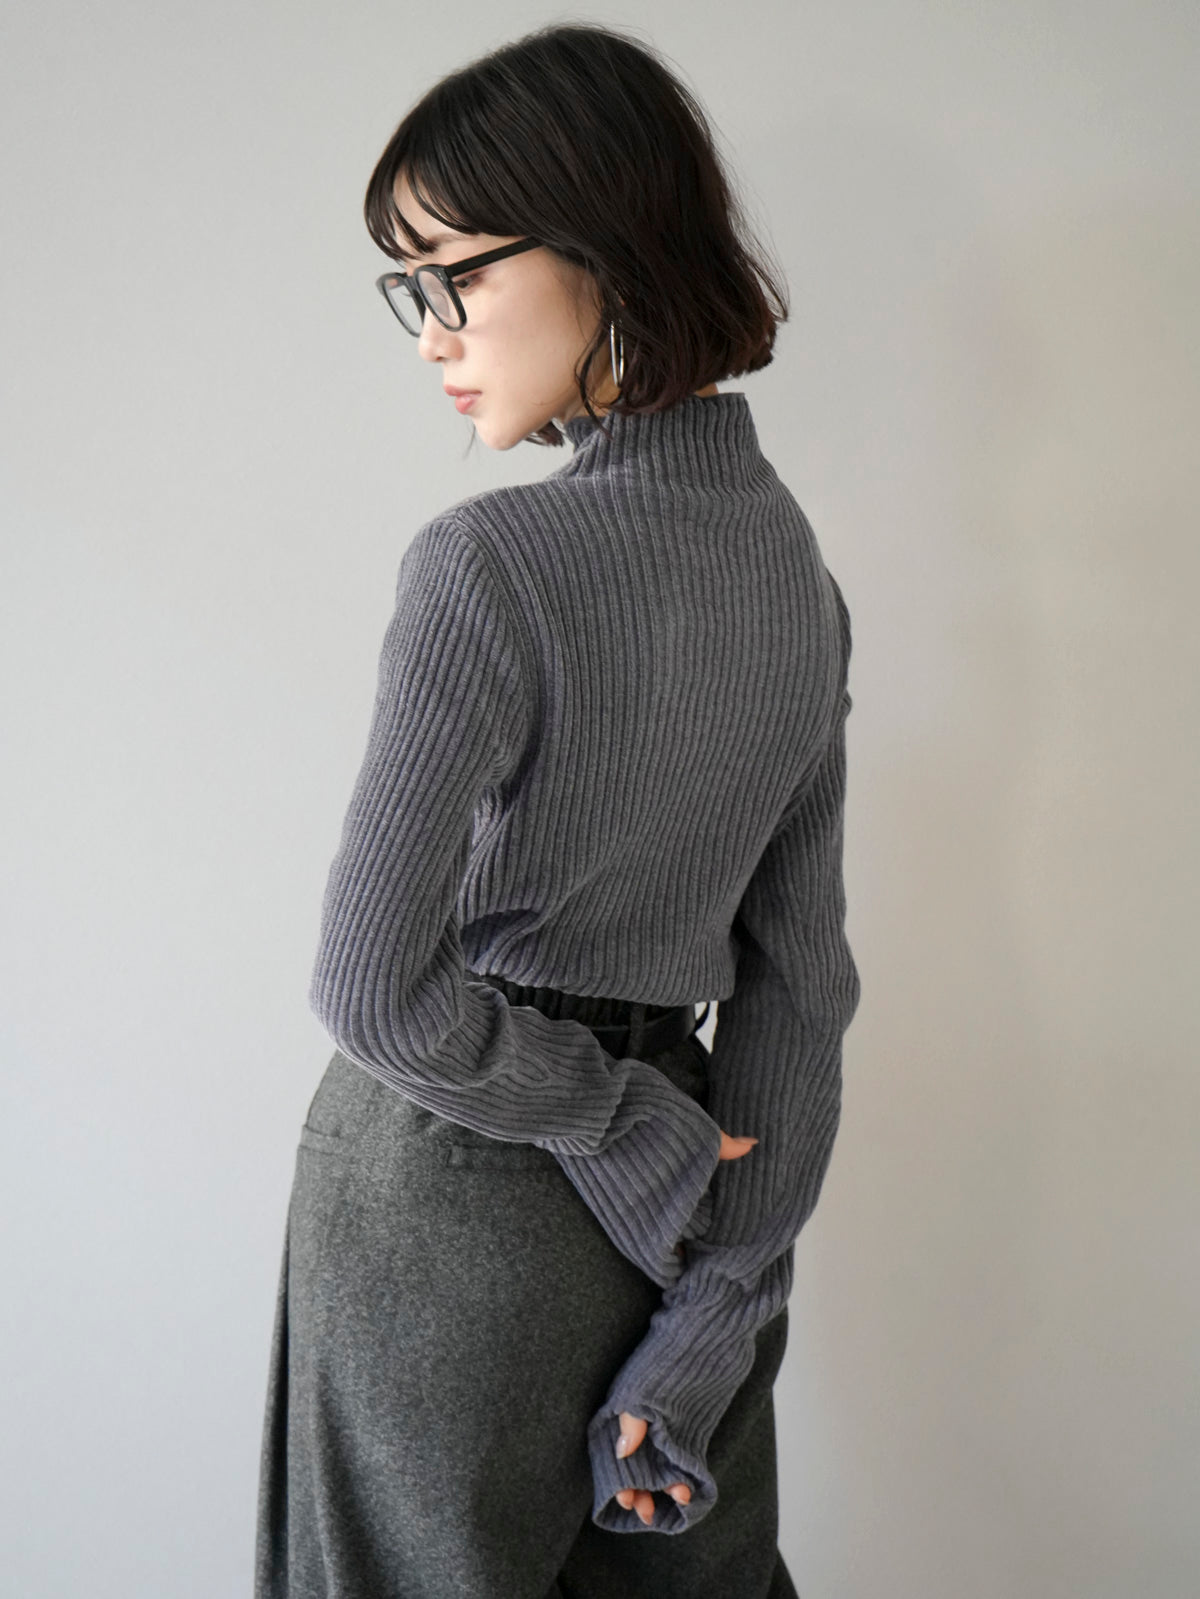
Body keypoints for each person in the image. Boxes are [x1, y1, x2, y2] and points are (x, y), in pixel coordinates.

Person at [255, 20, 860, 1599]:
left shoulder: (490, 568)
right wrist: (724, 1301)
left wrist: (616, 1121)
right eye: (413, 290)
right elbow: (803, 989)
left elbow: (371, 989)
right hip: (693, 1198)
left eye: (453, 277)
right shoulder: (802, 588)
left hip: (459, 1183)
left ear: (601, 247)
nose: (432, 336)